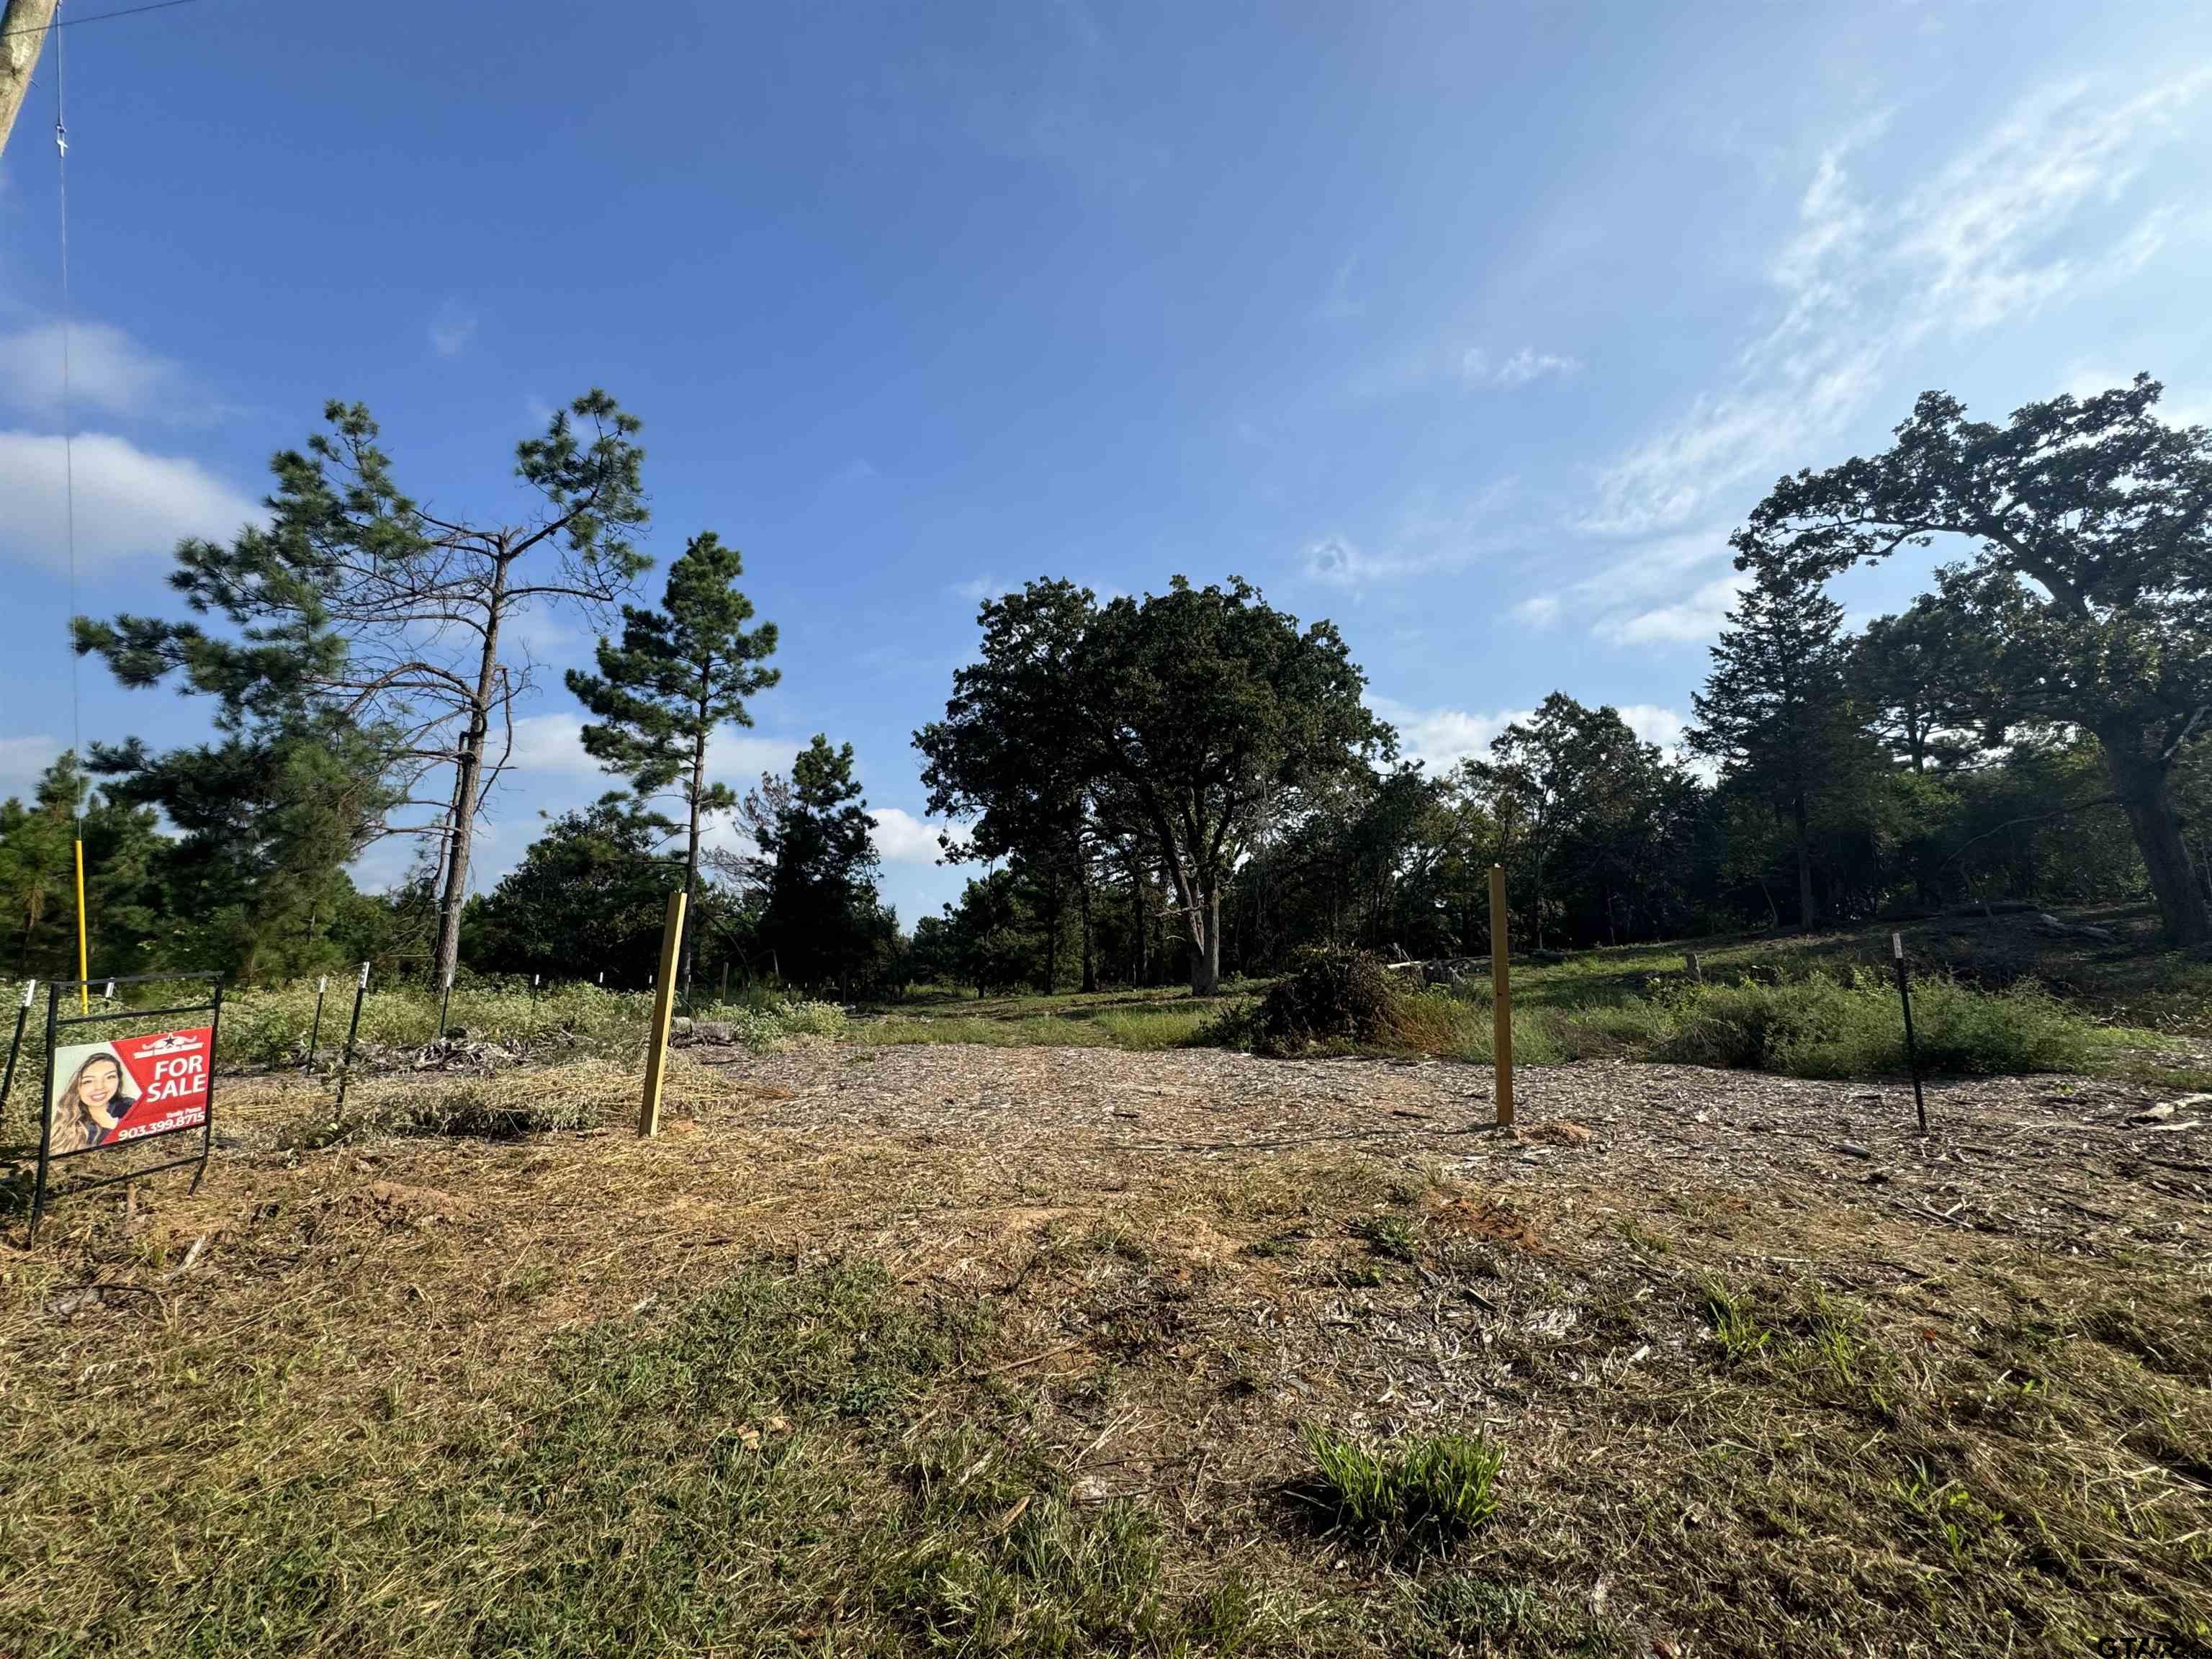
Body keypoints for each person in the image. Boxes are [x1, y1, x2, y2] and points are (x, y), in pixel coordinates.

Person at [50, 1050, 135, 1154]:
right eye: (88, 1081)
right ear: (75, 1086)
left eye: (110, 1077)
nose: (100, 1087)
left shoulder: (129, 1107)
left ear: (119, 1080)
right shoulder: (71, 1127)